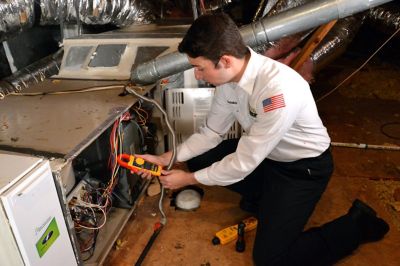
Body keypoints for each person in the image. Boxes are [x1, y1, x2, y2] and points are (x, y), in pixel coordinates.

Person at [139, 13, 389, 265]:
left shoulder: (278, 91)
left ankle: (358, 224)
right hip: (267, 156)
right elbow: (211, 133)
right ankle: (266, 198)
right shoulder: (229, 80)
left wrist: (188, 180)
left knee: (271, 260)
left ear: (224, 60)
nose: (199, 76)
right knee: (199, 159)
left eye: (200, 68)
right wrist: (165, 157)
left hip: (302, 170)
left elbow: (242, 164)